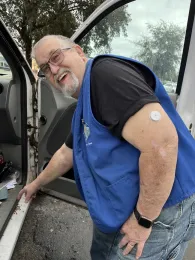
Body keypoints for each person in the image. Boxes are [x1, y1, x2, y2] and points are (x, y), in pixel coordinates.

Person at [18, 35, 195, 260]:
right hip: (133, 207)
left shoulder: (105, 77)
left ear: (79, 52)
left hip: (159, 208)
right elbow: (67, 153)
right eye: (44, 68)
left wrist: (142, 219)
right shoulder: (86, 98)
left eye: (56, 56)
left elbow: (162, 145)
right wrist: (34, 184)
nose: (53, 69)